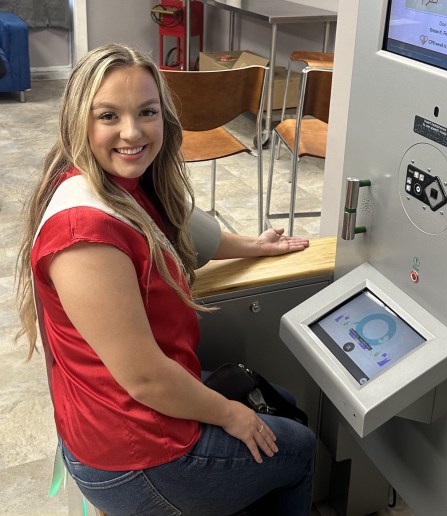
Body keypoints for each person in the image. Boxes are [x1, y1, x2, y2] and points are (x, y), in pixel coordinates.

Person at [14, 43, 316, 516]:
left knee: (284, 403)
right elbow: (146, 379)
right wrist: (230, 415)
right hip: (134, 457)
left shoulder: (116, 185)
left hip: (113, 425)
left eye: (146, 112)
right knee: (296, 447)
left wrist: (254, 246)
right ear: (78, 121)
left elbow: (185, 231)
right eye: (108, 115)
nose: (131, 132)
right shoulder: (85, 237)